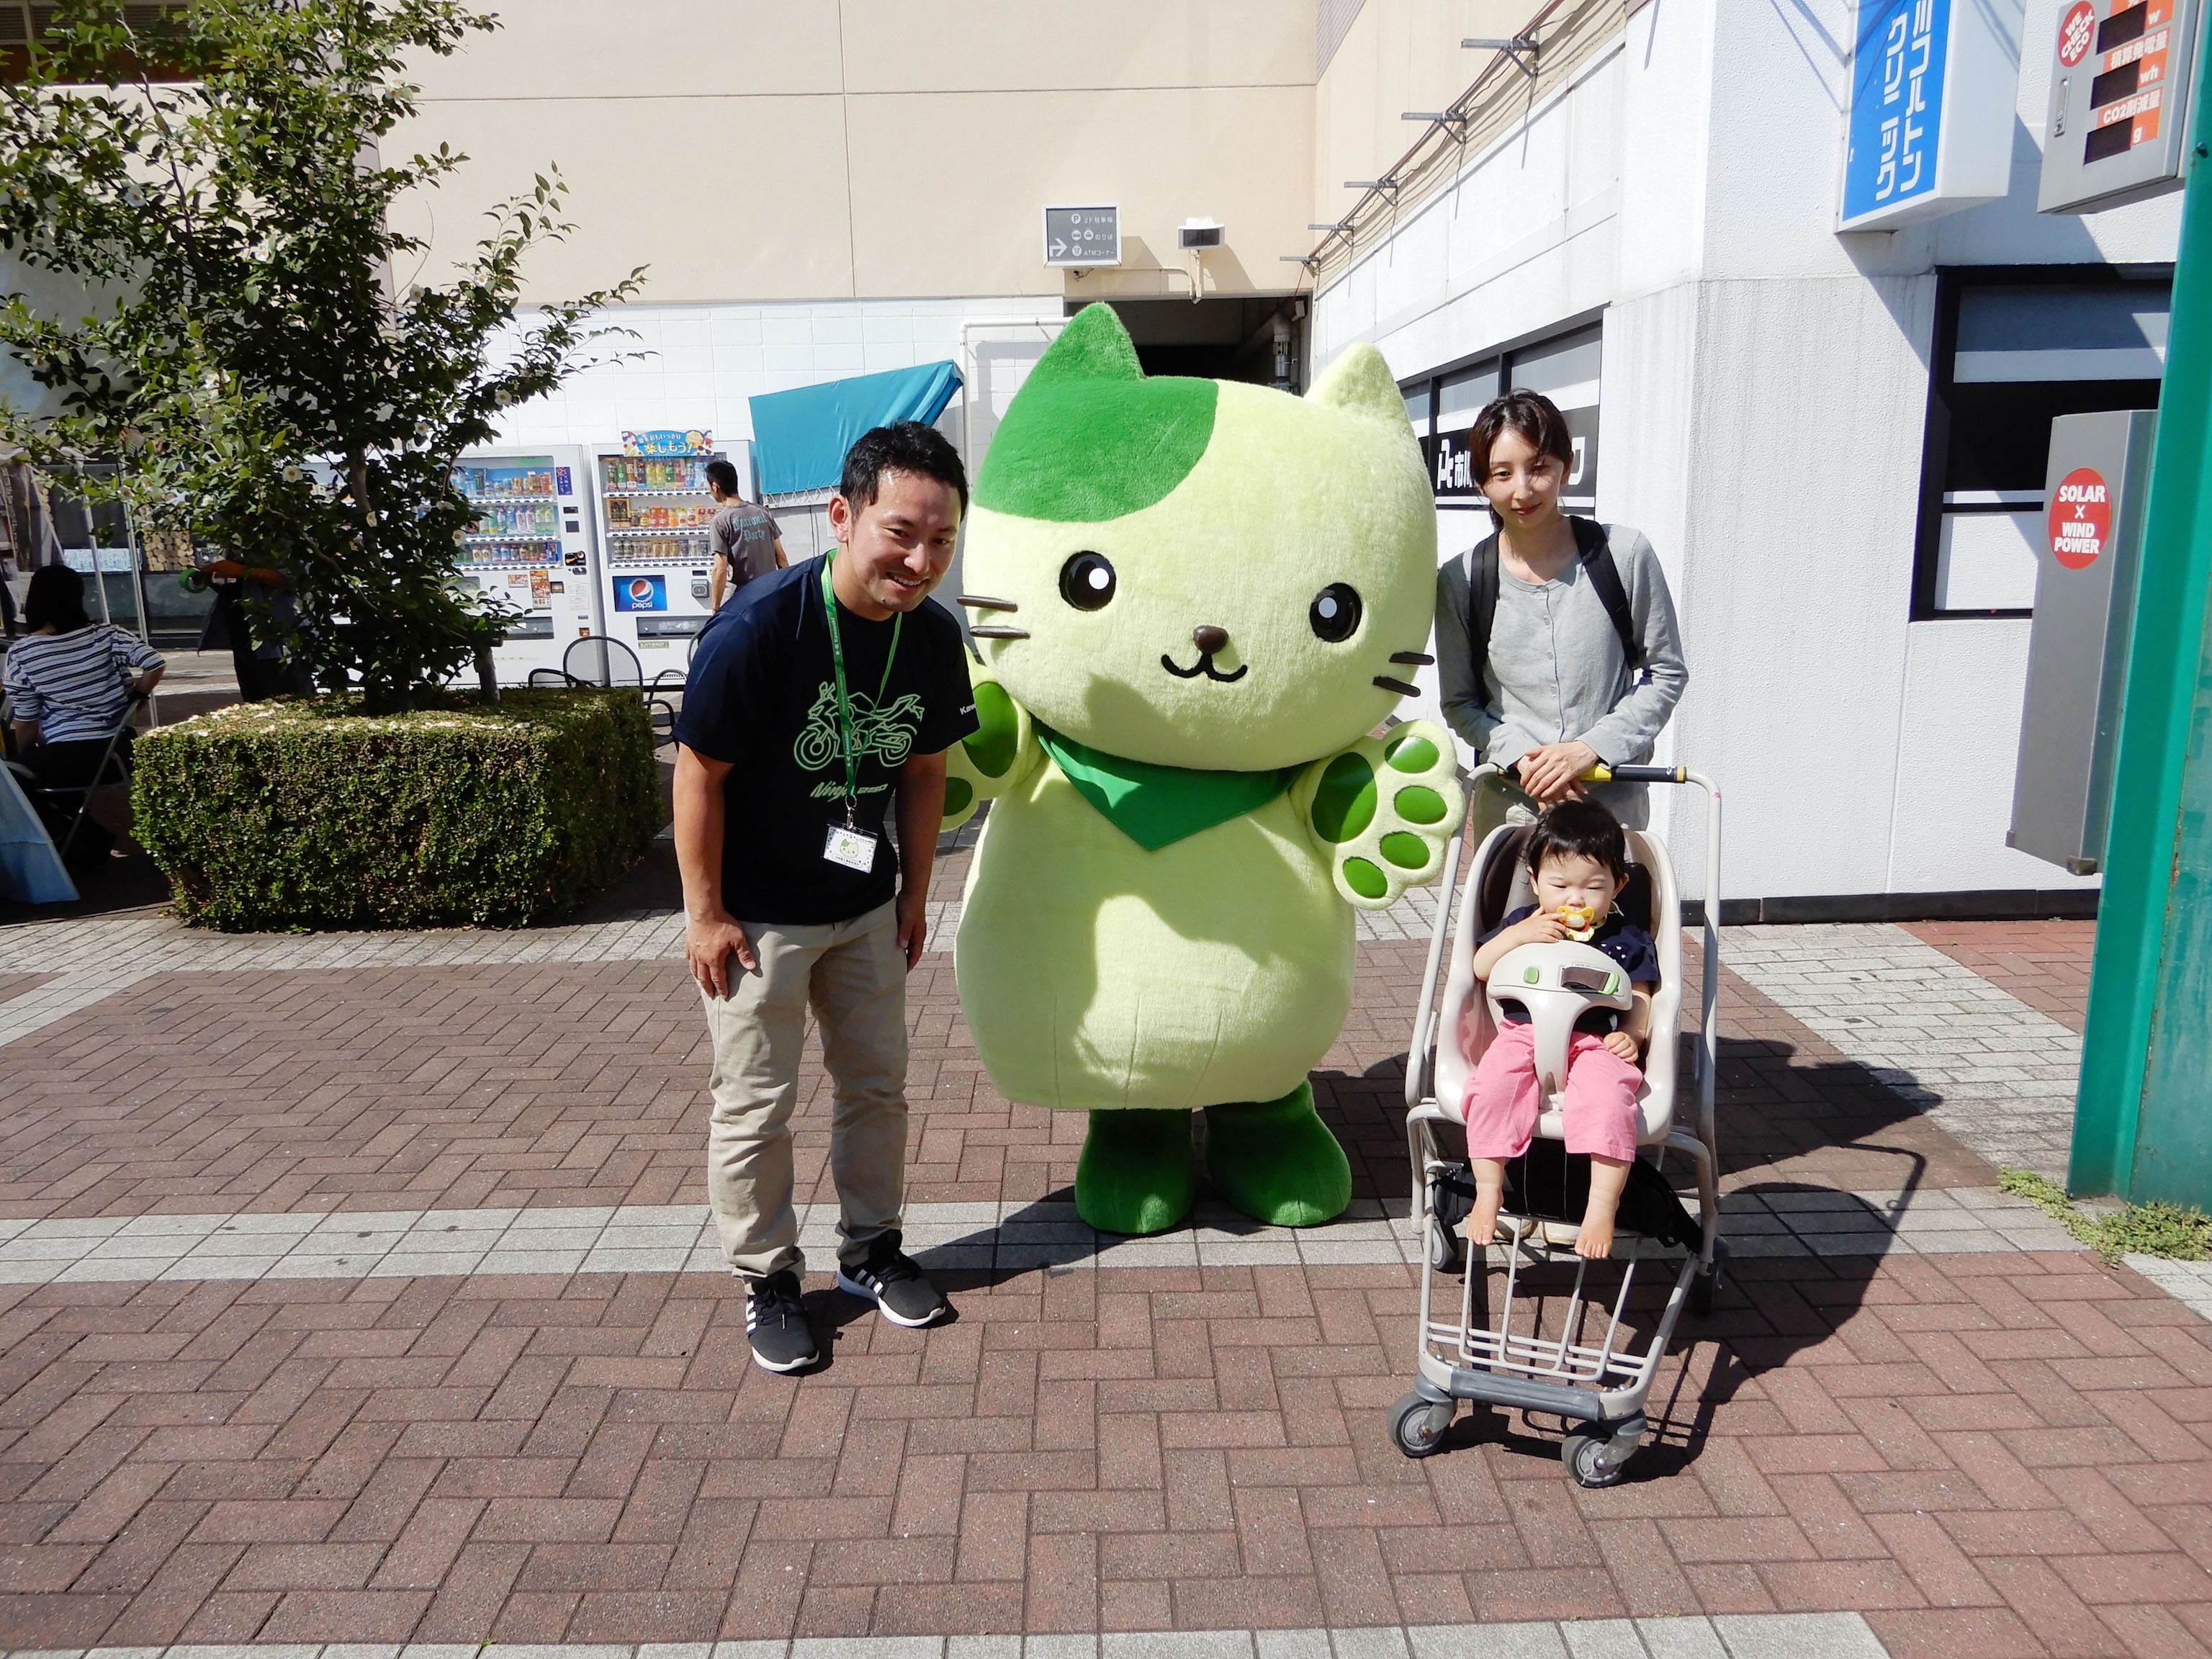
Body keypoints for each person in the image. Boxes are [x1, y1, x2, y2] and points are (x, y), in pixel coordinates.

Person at [672, 421, 978, 1374]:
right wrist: (704, 914)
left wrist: (916, 893)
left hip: (866, 909)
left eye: (941, 540)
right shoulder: (760, 626)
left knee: (877, 1088)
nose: (920, 561)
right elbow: (698, 772)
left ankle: (871, 1252)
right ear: (843, 517)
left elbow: (924, 770)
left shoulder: (933, 637)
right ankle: (767, 1277)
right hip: (757, 921)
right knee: (756, 1104)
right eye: (901, 533)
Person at [1434, 390, 1689, 833]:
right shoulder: (1463, 579)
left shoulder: (1624, 554)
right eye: (1502, 473)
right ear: (1481, 482)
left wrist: (1591, 748)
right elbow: (1460, 702)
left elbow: (1666, 673)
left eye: (1539, 468)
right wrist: (1524, 759)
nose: (1522, 490)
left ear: (1566, 467)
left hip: (1612, 813)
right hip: (1512, 814)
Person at [1458, 799, 1657, 1259]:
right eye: (1560, 885)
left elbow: (1642, 994)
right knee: (1490, 1088)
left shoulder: (1625, 939)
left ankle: (1601, 1204)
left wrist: (1634, 1034)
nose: (1575, 900)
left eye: (1594, 887)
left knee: (1610, 1100)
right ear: (1534, 882)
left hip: (1594, 1041)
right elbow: (1481, 967)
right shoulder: (1523, 923)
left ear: (1618, 885)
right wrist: (1517, 937)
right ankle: (1489, 1190)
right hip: (1522, 1034)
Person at [3, 564, 164, 788]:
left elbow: (26, 723)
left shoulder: (22, 654)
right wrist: (138, 697)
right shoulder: (108, 635)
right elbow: (154, 663)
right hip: (121, 755)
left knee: (11, 782)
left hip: (65, 760)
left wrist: (26, 757)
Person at [706, 458, 786, 613]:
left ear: (715, 486)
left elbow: (720, 569)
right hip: (770, 595)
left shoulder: (720, 522)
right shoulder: (763, 512)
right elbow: (781, 557)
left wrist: (715, 608)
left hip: (742, 602)